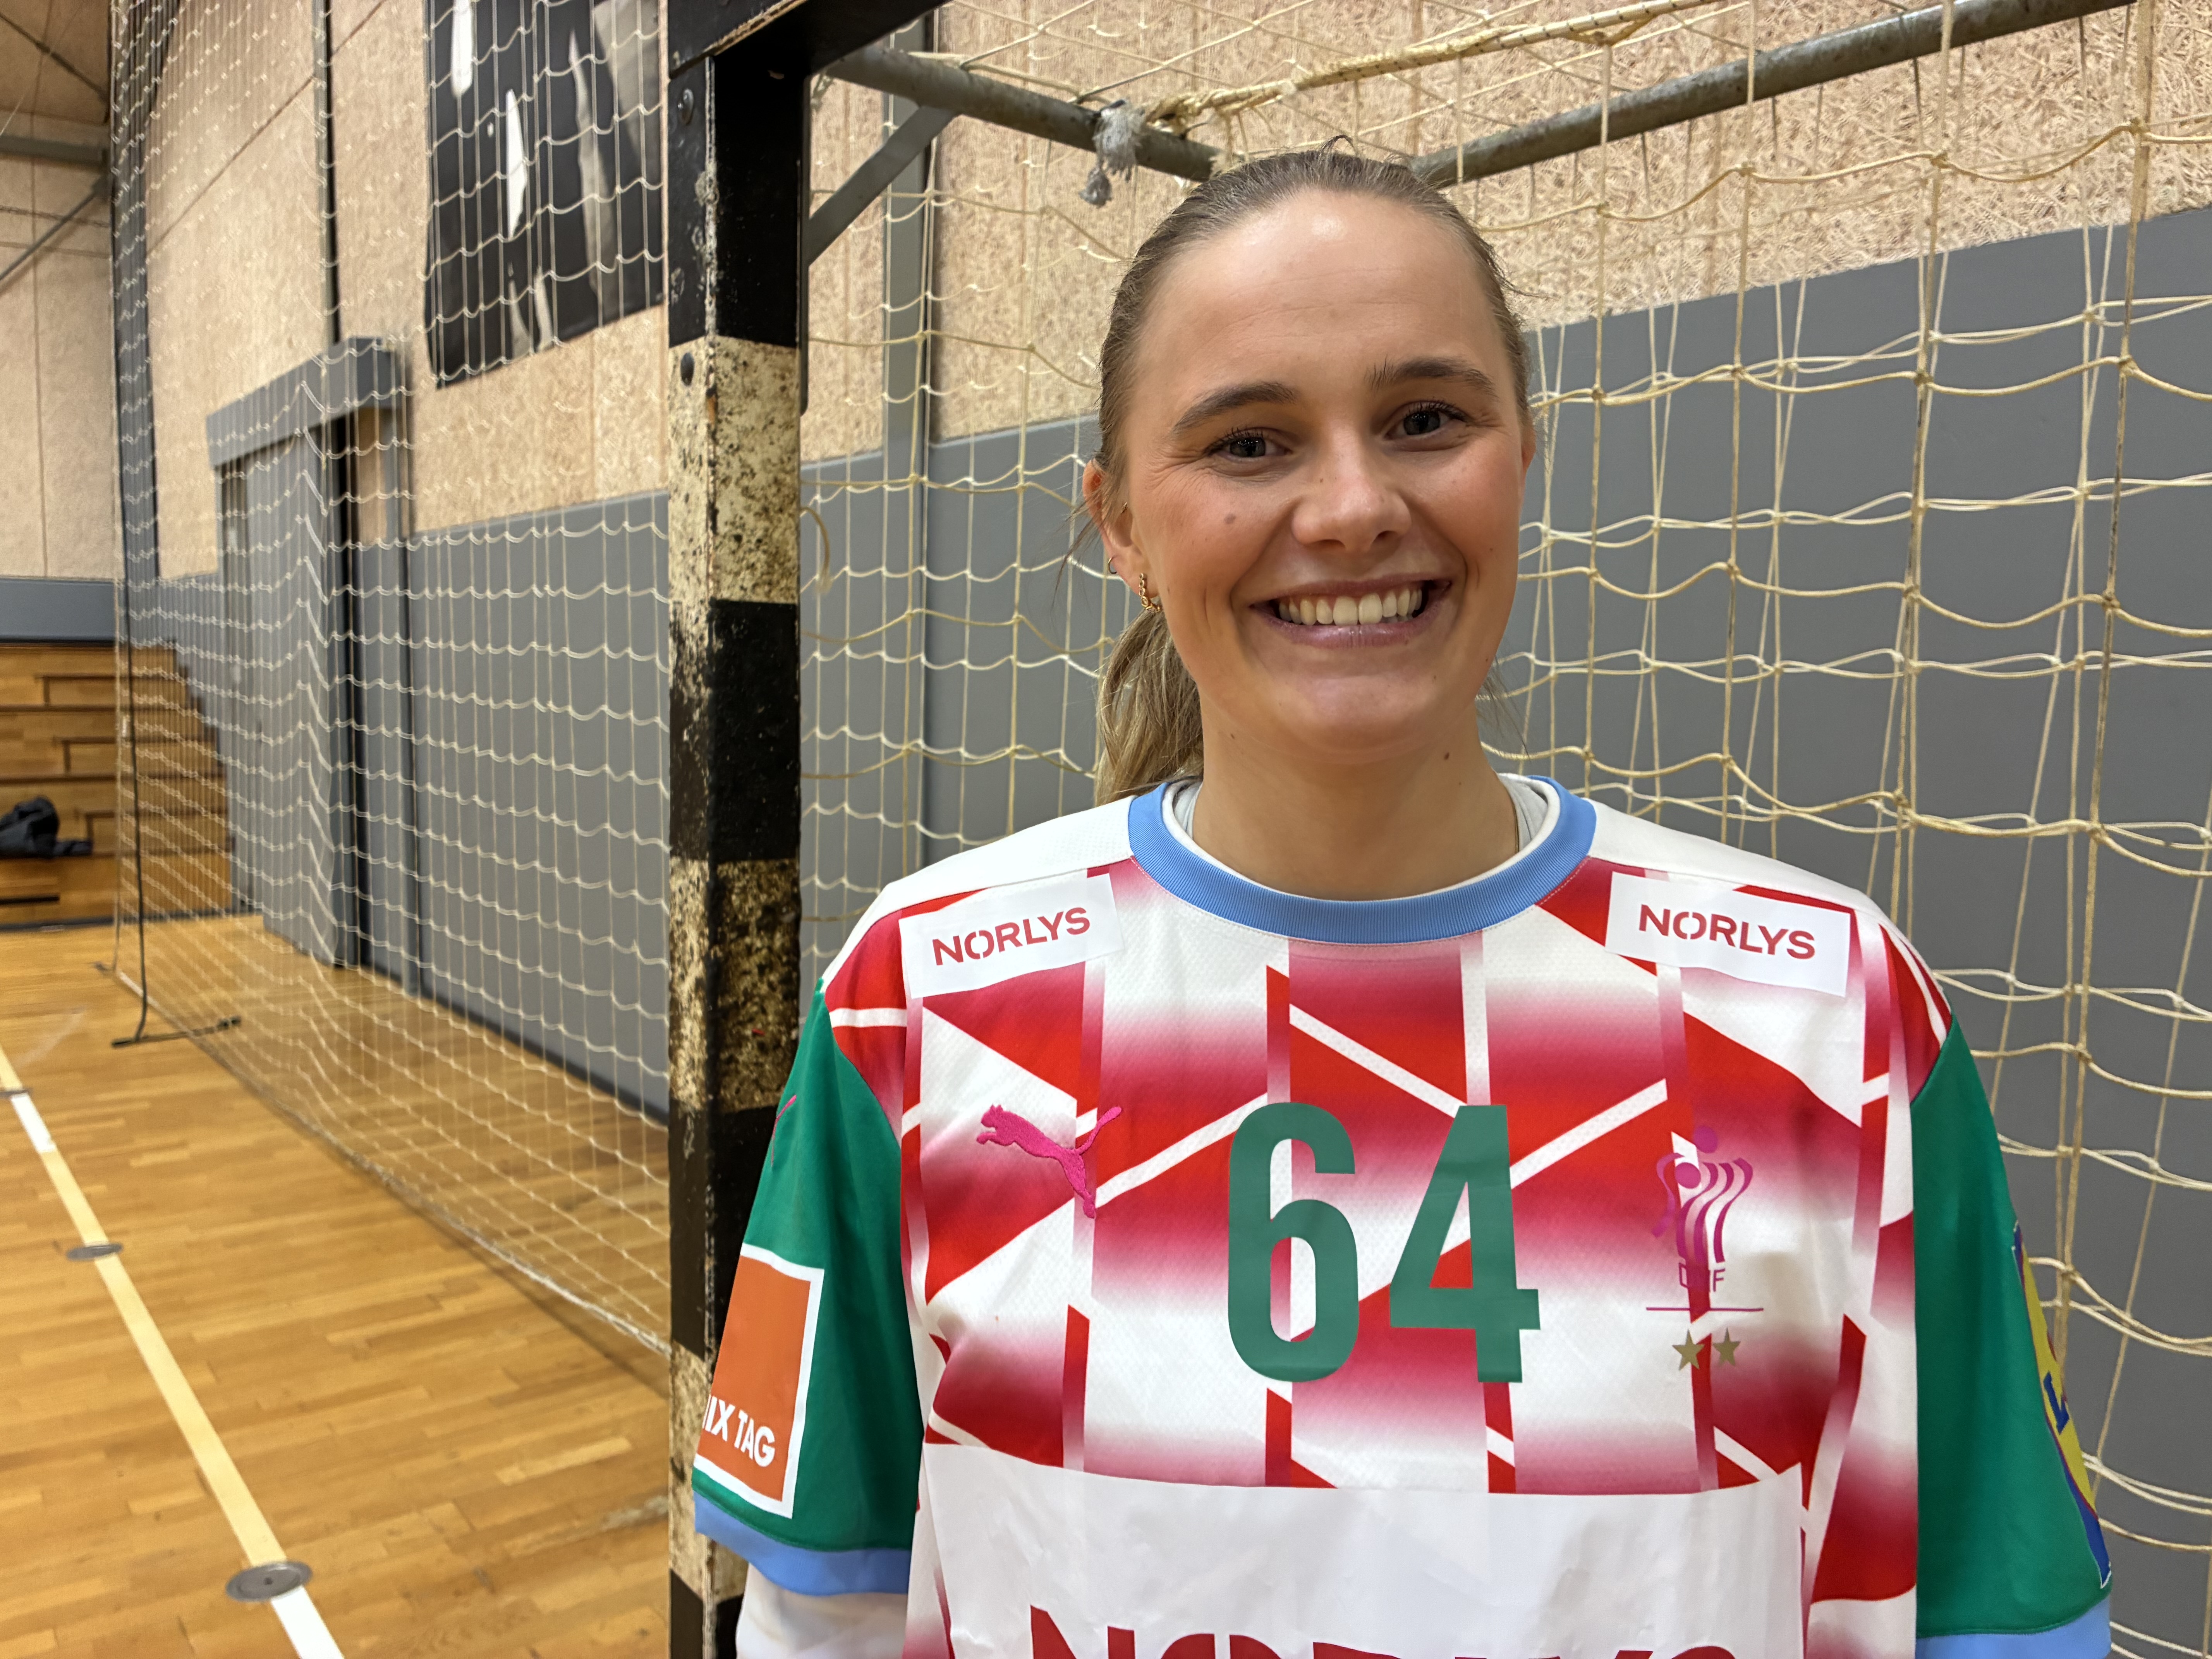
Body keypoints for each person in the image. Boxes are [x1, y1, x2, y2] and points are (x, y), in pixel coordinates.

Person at [689, 149, 2113, 1659]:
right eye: (1249, 443)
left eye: (1426, 419)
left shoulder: (1833, 1010)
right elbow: (826, 1616)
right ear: (1120, 524)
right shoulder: (916, 999)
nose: (1355, 507)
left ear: (1523, 457)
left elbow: (1990, 1622)